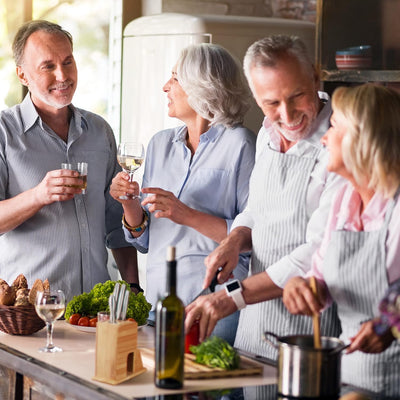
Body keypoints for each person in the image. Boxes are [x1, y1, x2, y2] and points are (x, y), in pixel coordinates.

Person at [185, 35, 343, 360]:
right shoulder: (266, 136)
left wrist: (232, 297)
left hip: (313, 332)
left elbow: (319, 251)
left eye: (297, 95)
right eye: (271, 103)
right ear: (256, 98)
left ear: (315, 76)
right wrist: (235, 239)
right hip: (255, 327)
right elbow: (257, 209)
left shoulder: (342, 141)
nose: (287, 115)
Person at [110, 43, 256, 344]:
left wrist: (186, 214)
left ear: (202, 86)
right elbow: (146, 239)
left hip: (215, 306)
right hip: (160, 302)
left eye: (175, 78)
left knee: (211, 390)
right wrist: (129, 204)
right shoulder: (160, 144)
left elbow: (252, 238)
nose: (166, 86)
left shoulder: (241, 144)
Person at [0, 20, 139, 302]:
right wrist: (38, 195)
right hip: (29, 312)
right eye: (48, 66)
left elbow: (116, 225)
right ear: (23, 75)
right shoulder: (4, 132)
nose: (63, 75)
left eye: (68, 61)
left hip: (94, 310)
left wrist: (133, 288)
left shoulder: (100, 131)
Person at [283, 84, 400, 397]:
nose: (324, 138)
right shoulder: (344, 200)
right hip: (350, 380)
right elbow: (318, 278)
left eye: (333, 126)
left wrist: (392, 324)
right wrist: (302, 287)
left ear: (363, 138)